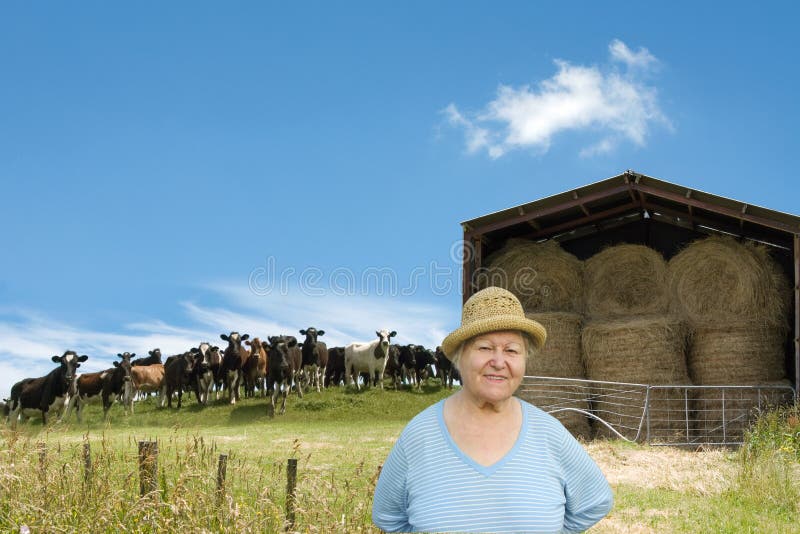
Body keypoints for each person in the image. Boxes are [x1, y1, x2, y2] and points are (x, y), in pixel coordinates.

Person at [372, 286, 613, 533]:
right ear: (459, 356)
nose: (499, 362)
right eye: (484, 348)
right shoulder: (420, 435)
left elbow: (595, 502)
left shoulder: (549, 433)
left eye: (512, 350)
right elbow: (388, 517)